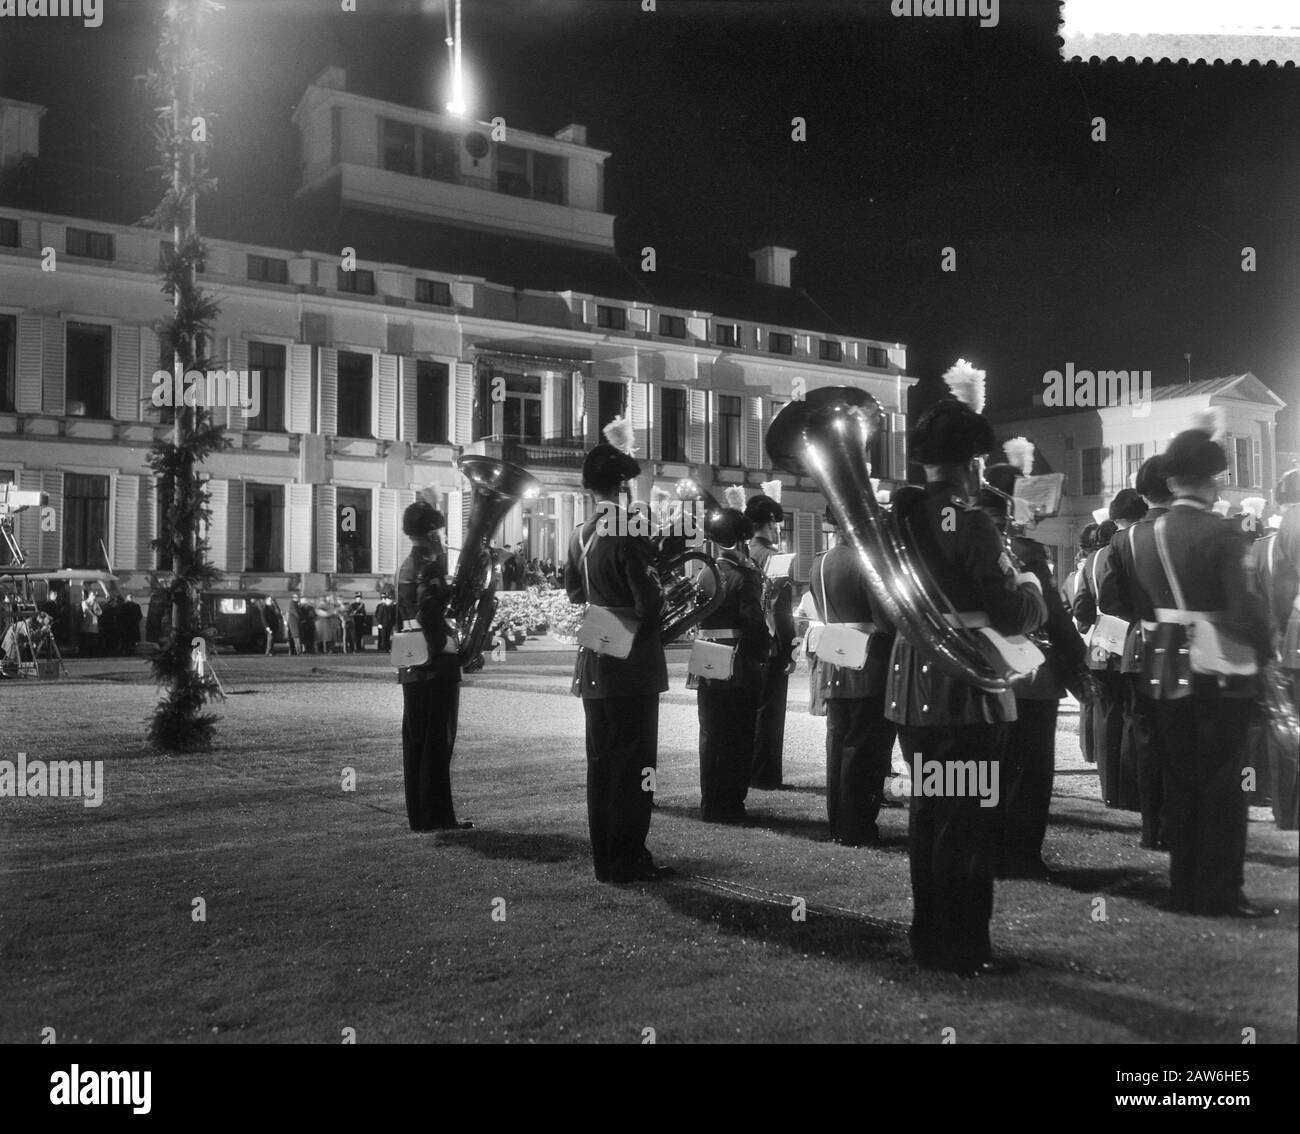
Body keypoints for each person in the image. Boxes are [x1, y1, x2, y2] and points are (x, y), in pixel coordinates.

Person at [886, 398, 1046, 976]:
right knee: (970, 817)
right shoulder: (971, 518)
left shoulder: (895, 522)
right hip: (965, 685)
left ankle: (929, 938)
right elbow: (1011, 611)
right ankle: (965, 947)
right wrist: (1029, 585)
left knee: (929, 812)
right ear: (973, 463)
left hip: (913, 679)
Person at [1123, 423, 1275, 917]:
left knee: (1181, 782)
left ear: (1171, 483)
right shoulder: (1224, 532)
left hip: (1163, 665)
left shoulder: (1140, 537)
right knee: (1223, 784)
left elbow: (1137, 605)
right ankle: (1220, 891)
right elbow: (1247, 610)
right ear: (1214, 482)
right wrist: (1266, 652)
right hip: (1220, 669)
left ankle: (1183, 887)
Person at [564, 421, 672, 881]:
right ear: (622, 486)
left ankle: (606, 858)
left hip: (594, 659)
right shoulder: (626, 527)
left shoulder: (579, 533)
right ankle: (629, 858)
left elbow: (573, 593)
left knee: (602, 763)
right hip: (631, 664)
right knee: (634, 763)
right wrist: (664, 598)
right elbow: (647, 600)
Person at [977, 453, 1087, 876]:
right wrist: (1079, 666)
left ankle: (987, 847)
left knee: (987, 769)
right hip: (1030, 675)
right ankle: (1020, 854)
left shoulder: (958, 544)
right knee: (1031, 769)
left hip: (982, 673)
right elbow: (1054, 617)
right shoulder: (1023, 550)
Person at [809, 507, 897, 845]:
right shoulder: (867, 561)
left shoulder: (821, 560)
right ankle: (858, 826)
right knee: (866, 750)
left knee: (838, 746)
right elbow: (885, 620)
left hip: (835, 659)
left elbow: (819, 608)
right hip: (869, 661)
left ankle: (839, 823)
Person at [1100, 454, 1175, 848]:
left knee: (1147, 742)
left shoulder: (1121, 539)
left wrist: (1140, 613)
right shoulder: (1186, 528)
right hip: (1182, 649)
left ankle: (1152, 830)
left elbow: (1109, 601)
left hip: (1139, 647)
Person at [689, 507, 770, 824]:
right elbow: (754, 623)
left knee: (711, 732)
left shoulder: (704, 572)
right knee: (738, 734)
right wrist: (764, 653)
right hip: (737, 662)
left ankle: (711, 801)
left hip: (706, 652)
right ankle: (731, 803)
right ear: (741, 539)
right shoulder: (743, 576)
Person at [397, 501, 469, 831]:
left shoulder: (405, 566)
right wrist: (447, 644)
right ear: (430, 533)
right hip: (434, 662)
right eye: (439, 531)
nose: (442, 537)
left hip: (411, 660)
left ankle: (421, 817)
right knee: (438, 741)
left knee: (416, 740)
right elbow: (429, 612)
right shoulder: (428, 565)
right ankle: (439, 816)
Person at [1249, 468, 1299, 829]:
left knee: (1283, 725)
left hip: (1287, 641)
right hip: (1289, 637)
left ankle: (1286, 812)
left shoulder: (1268, 540)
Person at [746, 491, 797, 791]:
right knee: (771, 710)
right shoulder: (775, 557)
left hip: (749, 642)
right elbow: (781, 609)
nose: (778, 528)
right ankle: (765, 773)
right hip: (772, 643)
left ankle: (750, 768)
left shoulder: (744, 552)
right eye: (775, 523)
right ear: (767, 524)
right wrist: (790, 647)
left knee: (751, 707)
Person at [79, 584, 102, 659]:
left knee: (94, 640)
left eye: (95, 595)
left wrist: (96, 611)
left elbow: (100, 612)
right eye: (93, 594)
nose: (94, 596)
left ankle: (92, 654)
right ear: (89, 595)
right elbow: (87, 612)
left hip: (94, 626)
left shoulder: (95, 603)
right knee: (87, 640)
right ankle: (85, 654)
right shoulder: (84, 602)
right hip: (87, 625)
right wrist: (95, 614)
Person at [286, 592, 302, 656]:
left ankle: (293, 651)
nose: (297, 598)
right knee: (296, 637)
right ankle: (298, 651)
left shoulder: (295, 604)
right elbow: (296, 613)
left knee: (294, 638)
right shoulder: (293, 604)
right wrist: (300, 617)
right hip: (294, 624)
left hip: (293, 624)